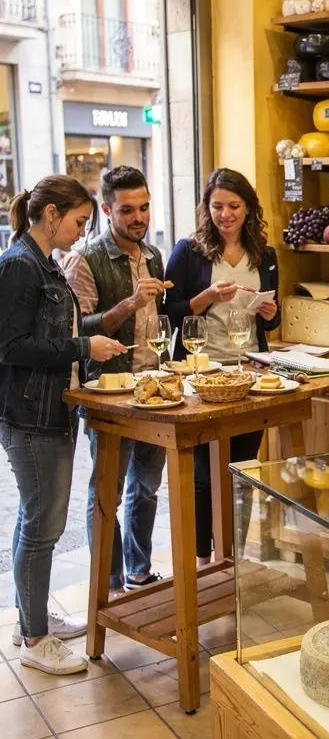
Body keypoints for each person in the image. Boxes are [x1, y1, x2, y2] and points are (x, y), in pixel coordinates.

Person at [0, 177, 127, 675]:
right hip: (31, 416)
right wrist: (82, 349)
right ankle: (35, 638)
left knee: (37, 521)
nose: (81, 233)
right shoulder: (19, 267)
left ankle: (30, 618)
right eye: (78, 222)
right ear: (51, 214)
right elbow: (10, 348)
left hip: (52, 409)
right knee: (43, 525)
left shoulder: (44, 264)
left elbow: (67, 331)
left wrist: (95, 338)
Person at [165, 168, 279, 565]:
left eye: (233, 206)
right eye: (217, 206)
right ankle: (200, 558)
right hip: (200, 372)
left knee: (243, 468)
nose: (225, 214)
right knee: (201, 472)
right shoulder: (188, 252)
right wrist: (206, 297)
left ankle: (231, 557)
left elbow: (270, 322)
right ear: (206, 208)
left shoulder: (264, 255)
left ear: (248, 209)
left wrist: (269, 311)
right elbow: (170, 312)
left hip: (249, 371)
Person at [63, 166, 167, 591]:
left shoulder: (154, 255)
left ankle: (138, 572)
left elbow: (158, 322)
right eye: (127, 210)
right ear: (106, 209)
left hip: (156, 389)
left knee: (146, 487)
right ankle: (107, 583)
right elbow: (79, 330)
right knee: (107, 492)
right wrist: (130, 302)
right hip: (110, 393)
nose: (138, 217)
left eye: (143, 207)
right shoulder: (84, 258)